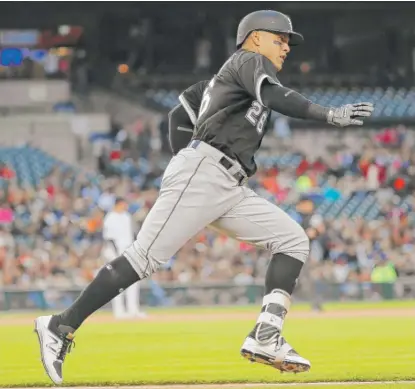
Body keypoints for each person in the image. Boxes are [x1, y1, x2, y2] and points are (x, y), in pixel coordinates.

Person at [34, 10, 374, 384]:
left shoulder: (224, 81)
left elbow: (178, 113)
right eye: (280, 39)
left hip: (229, 185)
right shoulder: (248, 60)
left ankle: (266, 334)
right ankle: (60, 325)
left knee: (292, 240)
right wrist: (327, 114)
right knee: (144, 257)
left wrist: (188, 155)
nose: (286, 48)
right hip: (207, 171)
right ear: (255, 37)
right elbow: (272, 96)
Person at [101, 197, 146, 319]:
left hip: (129, 250)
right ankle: (119, 311)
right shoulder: (110, 218)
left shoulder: (126, 216)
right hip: (114, 252)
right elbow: (109, 238)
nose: (125, 206)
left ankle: (133, 309)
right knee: (117, 282)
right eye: (123, 204)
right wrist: (117, 256)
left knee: (133, 280)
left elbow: (131, 235)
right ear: (118, 204)